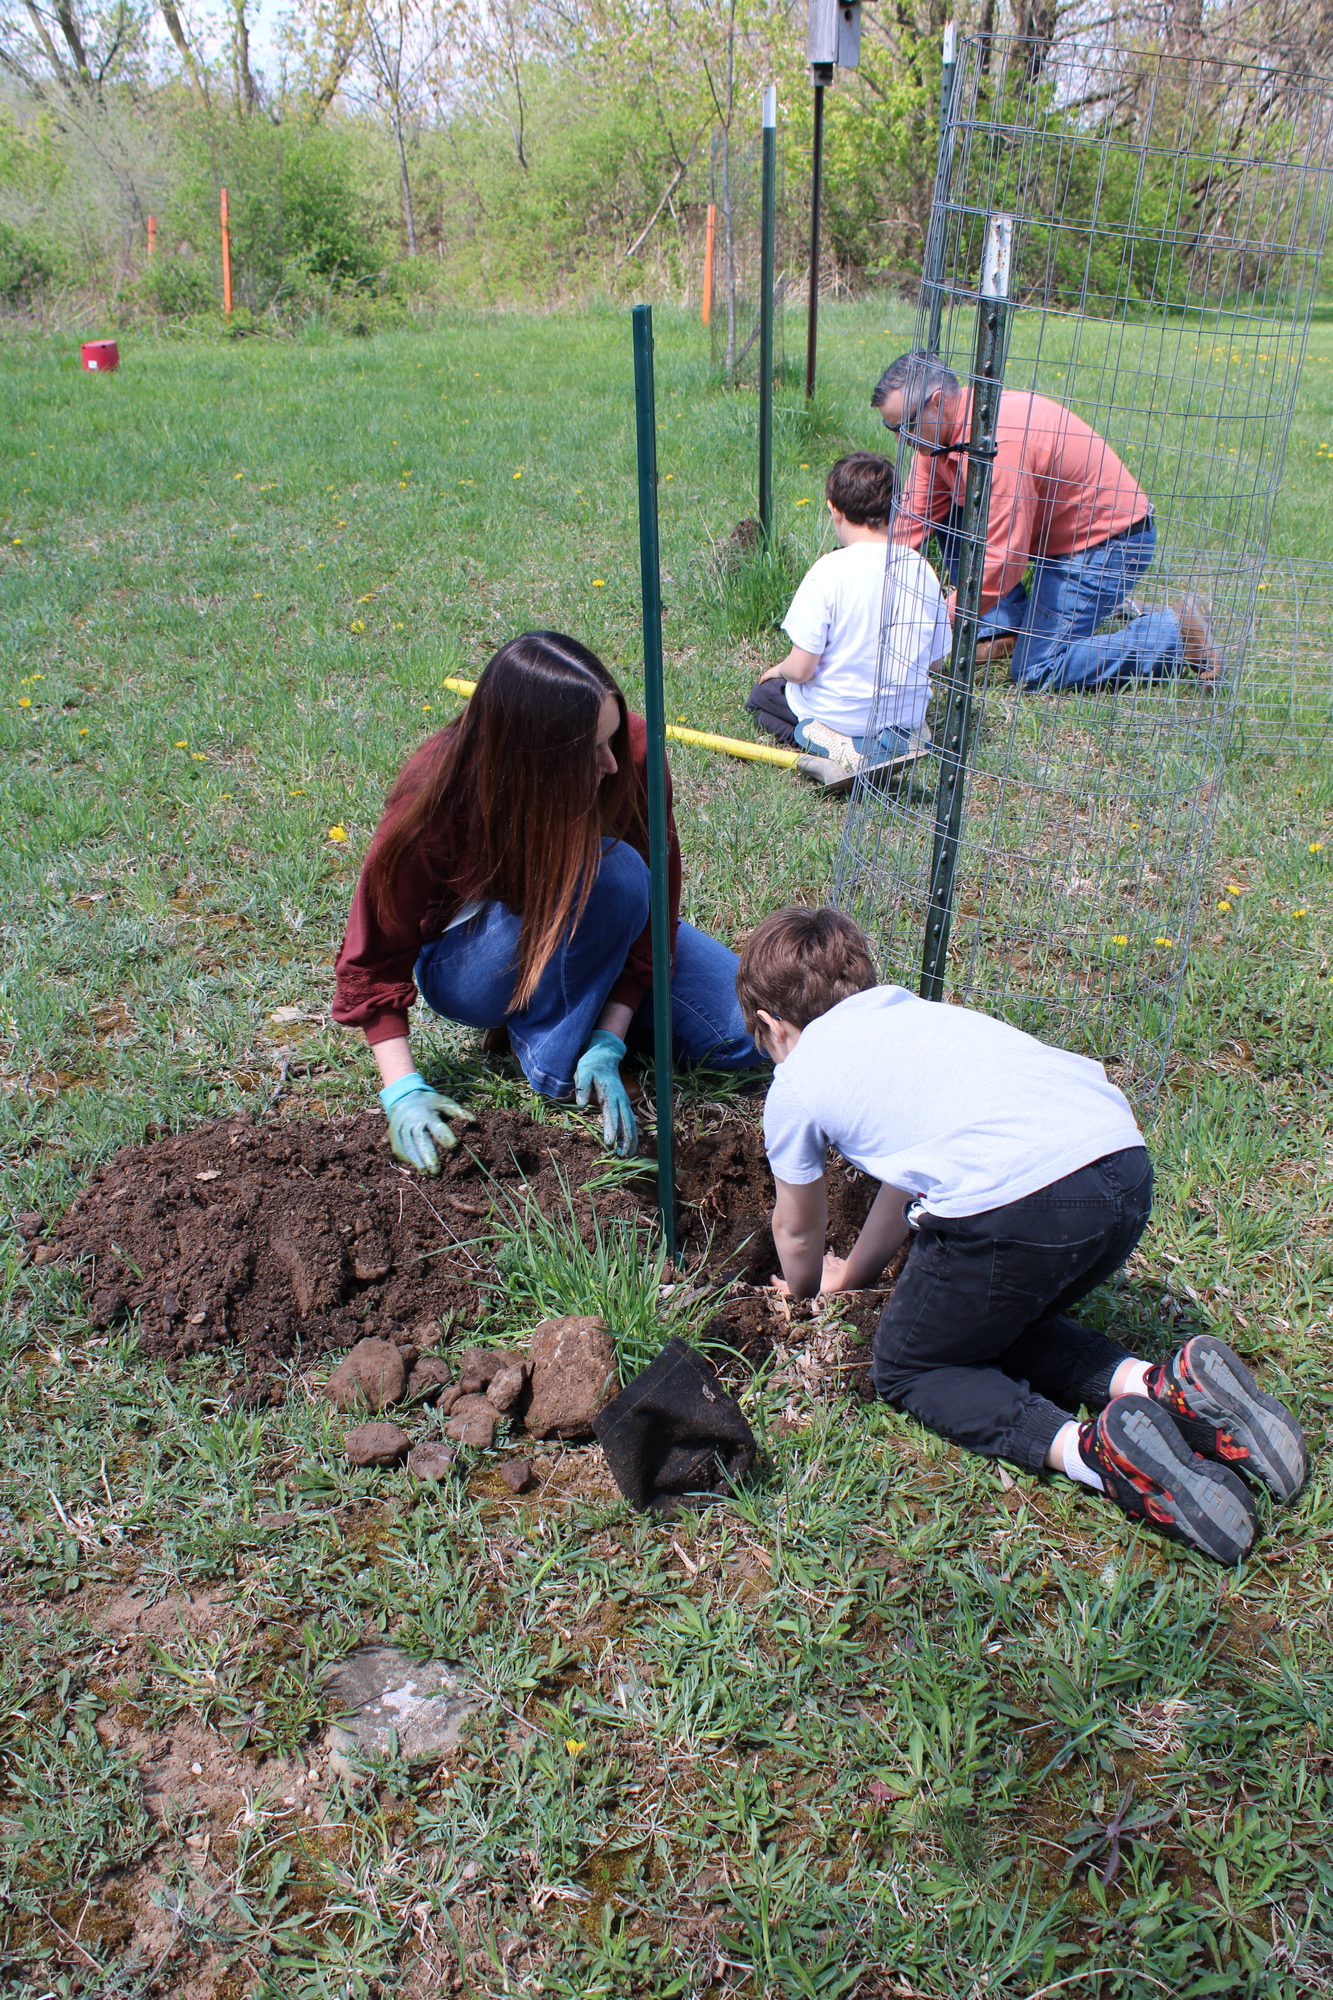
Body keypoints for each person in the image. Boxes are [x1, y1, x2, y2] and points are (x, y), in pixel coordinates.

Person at [735, 905, 1307, 1563]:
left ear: (769, 1026)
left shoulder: (796, 1084)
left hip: (1022, 1209)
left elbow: (796, 1227)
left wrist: (805, 1291)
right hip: (1120, 1173)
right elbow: (903, 1181)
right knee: (990, 1322)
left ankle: (1095, 1455)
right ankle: (1165, 1387)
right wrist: (856, 1272)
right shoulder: (914, 1017)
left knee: (915, 1363)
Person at [332, 632, 762, 1169]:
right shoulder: (438, 790)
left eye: (611, 738)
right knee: (618, 873)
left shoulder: (632, 750)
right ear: (531, 761)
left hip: (598, 912)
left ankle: (584, 1019)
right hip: (478, 959)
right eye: (591, 751)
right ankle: (549, 1057)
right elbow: (374, 954)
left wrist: (612, 1035)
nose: (612, 763)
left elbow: (659, 902)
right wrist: (401, 1089)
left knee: (745, 1037)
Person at [873, 352, 1222, 692]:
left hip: (1107, 545)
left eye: (905, 426)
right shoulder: (939, 439)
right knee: (949, 511)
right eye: (893, 429)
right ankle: (1002, 627)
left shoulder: (997, 445)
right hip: (1047, 538)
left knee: (1036, 670)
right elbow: (912, 522)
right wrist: (866, 586)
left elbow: (1003, 561)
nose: (901, 439)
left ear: (937, 402)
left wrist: (935, 623)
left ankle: (1174, 633)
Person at [745, 452, 949, 782]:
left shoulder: (829, 570)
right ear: (897, 508)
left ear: (834, 511)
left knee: (762, 698)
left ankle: (836, 744)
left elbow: (800, 669)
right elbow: (936, 662)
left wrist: (778, 669)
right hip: (904, 714)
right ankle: (903, 738)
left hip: (840, 714)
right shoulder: (920, 567)